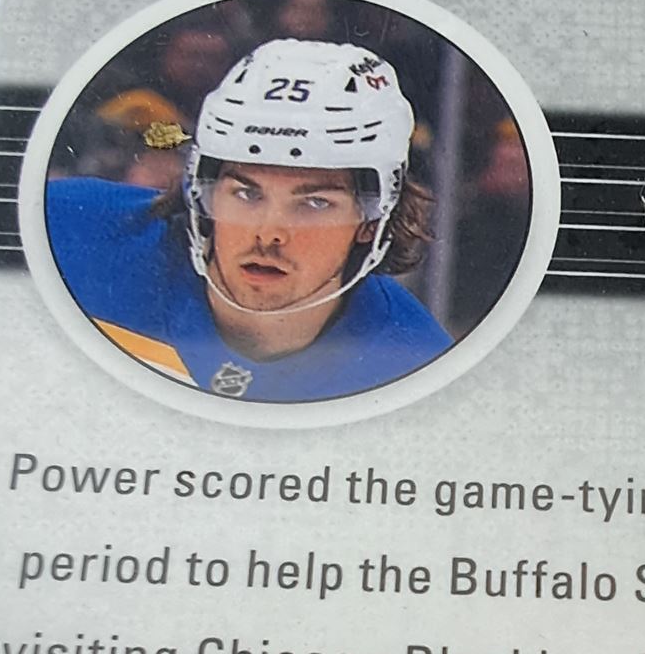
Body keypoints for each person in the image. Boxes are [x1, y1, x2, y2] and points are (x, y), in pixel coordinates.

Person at [46, 38, 450, 400]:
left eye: (314, 204)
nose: (269, 233)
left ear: (374, 218)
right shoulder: (66, 230)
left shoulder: (415, 370)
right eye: (246, 194)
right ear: (200, 190)